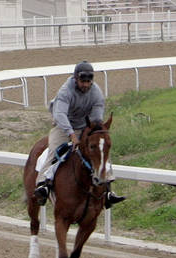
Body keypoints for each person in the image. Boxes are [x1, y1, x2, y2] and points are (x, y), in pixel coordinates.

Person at [33, 60, 125, 206]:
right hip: (63, 126)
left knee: (101, 150)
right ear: (75, 78)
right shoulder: (65, 91)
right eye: (82, 81)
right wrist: (72, 135)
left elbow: (96, 117)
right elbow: (60, 115)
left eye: (88, 82)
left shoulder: (96, 93)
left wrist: (94, 133)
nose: (86, 85)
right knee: (53, 150)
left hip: (84, 126)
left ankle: (107, 190)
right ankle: (42, 184)